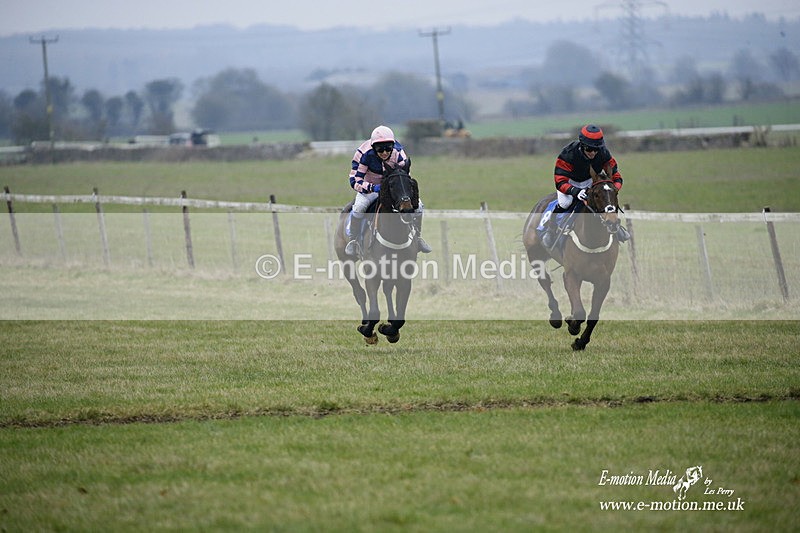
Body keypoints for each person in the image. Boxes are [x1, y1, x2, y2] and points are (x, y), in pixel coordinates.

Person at [344, 125, 432, 256]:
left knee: (418, 206)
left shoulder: (399, 153)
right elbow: (355, 180)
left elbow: (405, 176)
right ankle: (353, 240)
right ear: (374, 148)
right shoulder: (363, 154)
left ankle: (417, 238)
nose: (384, 152)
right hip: (370, 188)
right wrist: (373, 188)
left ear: (393, 146)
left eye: (388, 148)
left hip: (392, 188)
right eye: (380, 149)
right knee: (359, 207)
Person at [541, 124, 630, 249]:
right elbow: (560, 181)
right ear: (582, 145)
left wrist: (613, 189)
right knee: (566, 203)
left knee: (605, 199)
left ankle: (616, 226)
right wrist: (575, 191)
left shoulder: (603, 153)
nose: (593, 152)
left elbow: (617, 177)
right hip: (569, 182)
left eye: (596, 149)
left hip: (590, 180)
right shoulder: (568, 154)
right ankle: (551, 229)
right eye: (589, 149)